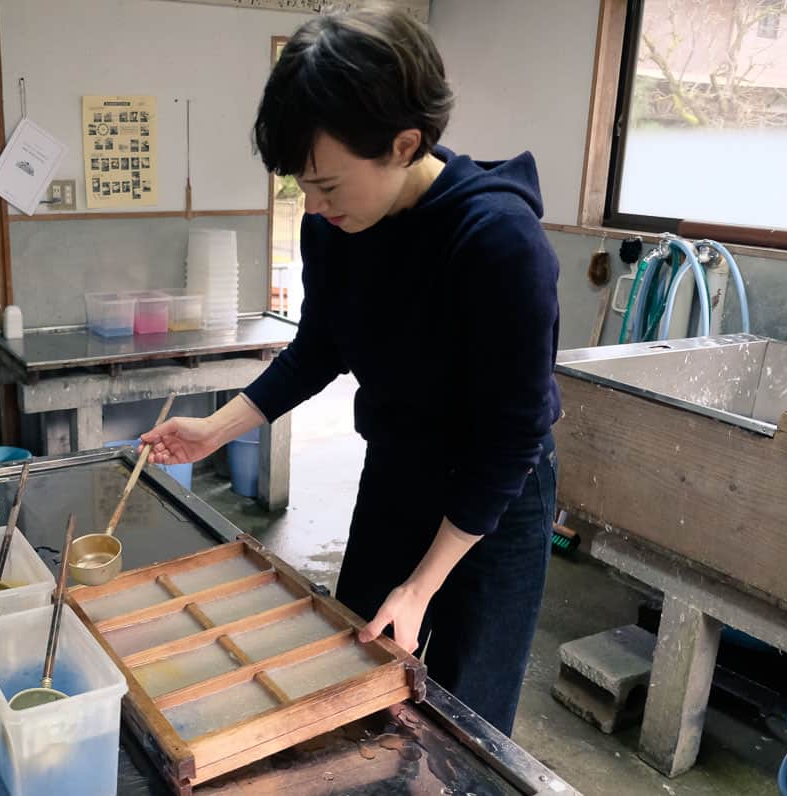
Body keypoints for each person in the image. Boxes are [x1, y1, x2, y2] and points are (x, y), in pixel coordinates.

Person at [141, 6, 560, 736]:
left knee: (467, 717)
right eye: (302, 184)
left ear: (405, 144)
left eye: (329, 185)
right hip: (399, 470)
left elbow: (512, 438)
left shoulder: (499, 243)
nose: (313, 205)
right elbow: (320, 348)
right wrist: (216, 429)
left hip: (493, 499)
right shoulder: (334, 226)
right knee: (355, 674)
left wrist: (422, 585)